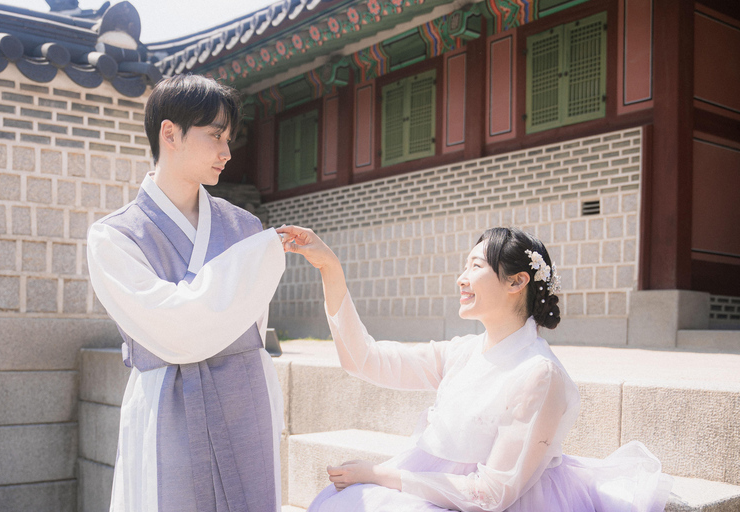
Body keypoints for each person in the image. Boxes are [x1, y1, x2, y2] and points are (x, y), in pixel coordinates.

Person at [276, 225, 673, 512]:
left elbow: (491, 496)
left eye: (475, 266)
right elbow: (364, 359)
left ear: (517, 281)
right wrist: (330, 268)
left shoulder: (539, 374)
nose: (461, 279)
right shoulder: (462, 352)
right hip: (434, 483)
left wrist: (378, 475)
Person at [87, 74, 286, 512]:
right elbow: (174, 329)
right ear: (170, 133)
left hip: (244, 396)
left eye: (229, 139)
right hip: (165, 403)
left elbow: (247, 326)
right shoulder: (114, 237)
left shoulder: (246, 228)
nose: (227, 153)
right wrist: (247, 268)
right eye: (215, 135)